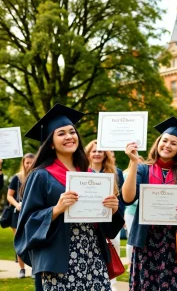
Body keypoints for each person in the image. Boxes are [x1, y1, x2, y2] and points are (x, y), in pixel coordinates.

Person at [14, 104, 124, 291]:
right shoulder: (40, 176)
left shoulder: (89, 174)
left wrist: (112, 209)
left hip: (92, 253)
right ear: (50, 142)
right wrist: (56, 209)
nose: (69, 137)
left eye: (72, 132)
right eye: (61, 133)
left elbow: (106, 226)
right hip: (60, 258)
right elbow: (26, 225)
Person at [122, 116, 177, 290]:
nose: (167, 145)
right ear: (158, 142)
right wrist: (133, 162)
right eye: (165, 140)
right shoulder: (143, 169)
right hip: (148, 242)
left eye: (173, 143)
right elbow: (128, 197)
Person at [85, 140, 125, 291]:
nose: (96, 154)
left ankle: (111, 285)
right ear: (88, 153)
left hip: (109, 219)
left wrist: (117, 215)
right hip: (89, 219)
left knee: (112, 250)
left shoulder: (115, 172)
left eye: (100, 151)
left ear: (105, 154)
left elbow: (120, 200)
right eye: (93, 151)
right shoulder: (81, 172)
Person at [7, 153, 35, 278]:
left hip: (32, 214)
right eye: (27, 162)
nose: (29, 165)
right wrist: (17, 205)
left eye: (31, 162)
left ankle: (35, 269)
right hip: (17, 214)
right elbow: (9, 196)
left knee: (33, 241)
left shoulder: (37, 176)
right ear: (23, 163)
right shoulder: (17, 178)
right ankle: (22, 269)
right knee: (19, 241)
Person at [122, 156, 145, 272]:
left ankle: (139, 263)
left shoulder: (145, 175)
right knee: (131, 238)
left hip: (144, 213)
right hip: (131, 212)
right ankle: (130, 263)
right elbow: (126, 197)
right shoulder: (126, 175)